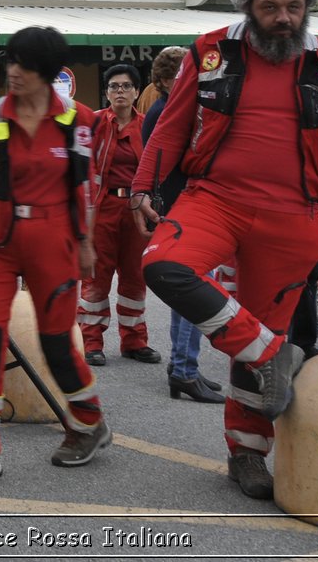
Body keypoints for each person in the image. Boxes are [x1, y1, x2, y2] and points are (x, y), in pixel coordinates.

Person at [137, 0, 318, 501]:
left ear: (307, 7)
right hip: (214, 199)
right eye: (270, 7)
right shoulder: (210, 51)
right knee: (162, 265)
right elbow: (172, 125)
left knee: (257, 335)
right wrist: (143, 187)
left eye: (294, 7)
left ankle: (246, 453)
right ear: (249, 7)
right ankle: (270, 351)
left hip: (297, 218)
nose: (283, 18)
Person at [0, 26, 109, 490]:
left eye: (24, 65)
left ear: (46, 73)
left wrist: (86, 244)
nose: (13, 72)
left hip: (54, 242)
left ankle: (87, 423)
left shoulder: (78, 120)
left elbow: (84, 188)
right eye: (11, 63)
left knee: (58, 342)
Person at [140, 46, 223, 404]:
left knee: (189, 296)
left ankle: (183, 367)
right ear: (163, 80)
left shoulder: (169, 109)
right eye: (182, 76)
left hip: (183, 210)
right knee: (194, 294)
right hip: (182, 211)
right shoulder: (165, 113)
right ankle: (184, 371)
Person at [79, 63, 159, 365]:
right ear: (106, 92)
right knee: (96, 278)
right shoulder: (94, 123)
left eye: (126, 86)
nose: (120, 91)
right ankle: (90, 341)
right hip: (102, 209)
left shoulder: (147, 126)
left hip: (137, 211)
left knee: (135, 277)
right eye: (114, 86)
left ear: (137, 92)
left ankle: (135, 341)